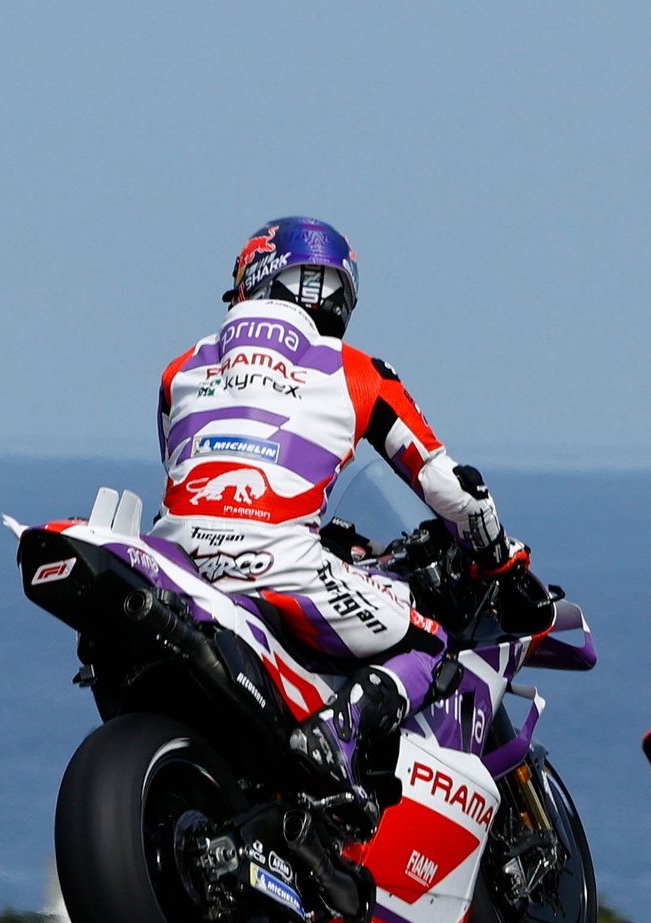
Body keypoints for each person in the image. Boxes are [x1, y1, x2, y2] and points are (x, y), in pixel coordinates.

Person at [149, 216, 528, 839]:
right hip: (277, 565)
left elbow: (185, 470)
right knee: (430, 642)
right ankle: (336, 737)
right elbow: (447, 488)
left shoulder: (179, 370)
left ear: (249, 280)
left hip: (177, 566)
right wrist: (502, 559)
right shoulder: (358, 371)